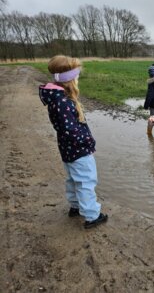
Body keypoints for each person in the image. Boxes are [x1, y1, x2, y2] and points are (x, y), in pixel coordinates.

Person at [38, 55, 108, 229]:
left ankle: (75, 206)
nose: (78, 78)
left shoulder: (58, 98)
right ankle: (92, 215)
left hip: (68, 150)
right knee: (86, 181)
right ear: (69, 79)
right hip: (78, 150)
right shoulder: (63, 102)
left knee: (73, 179)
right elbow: (70, 131)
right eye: (76, 76)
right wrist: (88, 142)